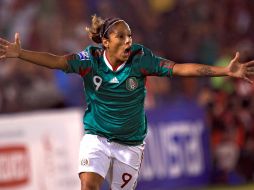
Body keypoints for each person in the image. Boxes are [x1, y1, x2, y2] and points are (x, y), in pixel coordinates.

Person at [1, 15, 254, 190]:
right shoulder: (89, 60)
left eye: (129, 36)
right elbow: (57, 61)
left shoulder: (140, 59)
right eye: (120, 36)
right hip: (97, 137)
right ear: (105, 42)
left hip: (130, 144)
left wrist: (225, 72)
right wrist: (20, 53)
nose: (128, 41)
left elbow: (179, 69)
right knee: (88, 184)